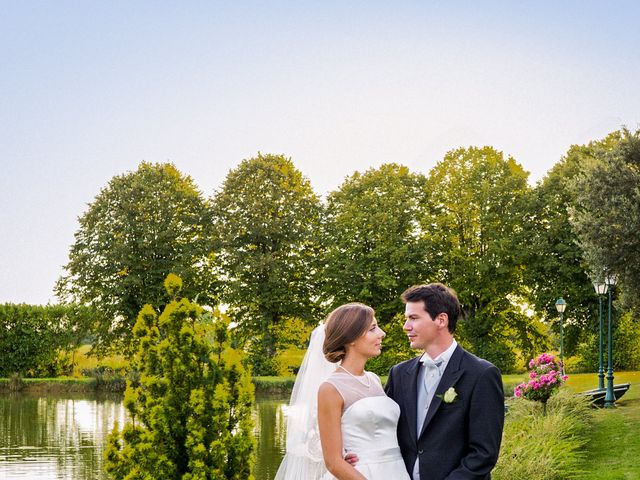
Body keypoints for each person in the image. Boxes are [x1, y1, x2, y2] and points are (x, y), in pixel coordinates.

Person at [274, 303, 411, 480]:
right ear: (351, 338)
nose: (382, 333)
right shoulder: (330, 388)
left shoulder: (374, 379)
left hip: (397, 471)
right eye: (373, 329)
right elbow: (333, 462)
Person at [384, 283, 505, 480]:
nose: (406, 326)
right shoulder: (399, 374)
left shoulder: (481, 374)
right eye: (406, 319)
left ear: (441, 320)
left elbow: (483, 454)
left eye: (413, 318)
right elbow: (384, 429)